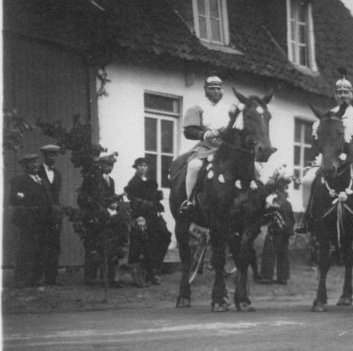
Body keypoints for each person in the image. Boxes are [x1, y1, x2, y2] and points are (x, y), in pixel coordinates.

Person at [298, 72, 353, 231]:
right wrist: (324, 151)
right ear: (335, 95)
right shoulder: (325, 116)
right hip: (328, 157)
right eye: (339, 92)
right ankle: (305, 216)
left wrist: (351, 150)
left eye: (346, 92)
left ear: (351, 95)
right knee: (307, 180)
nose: (343, 95)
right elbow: (316, 139)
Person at [180, 75, 238, 214]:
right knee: (194, 166)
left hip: (227, 147)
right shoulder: (197, 108)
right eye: (212, 89)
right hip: (207, 146)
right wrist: (205, 134)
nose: (216, 92)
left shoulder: (231, 109)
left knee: (251, 166)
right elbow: (188, 131)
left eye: (218, 89)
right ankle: (190, 200)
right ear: (205, 90)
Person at [78, 154, 124, 287]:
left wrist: (114, 203)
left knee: (110, 246)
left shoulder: (111, 180)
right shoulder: (92, 178)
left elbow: (110, 198)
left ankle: (109, 278)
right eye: (107, 165)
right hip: (94, 216)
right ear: (101, 165)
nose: (109, 168)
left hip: (106, 217)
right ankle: (90, 278)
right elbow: (83, 197)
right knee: (92, 246)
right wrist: (94, 208)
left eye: (111, 166)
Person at [124, 157, 171, 286]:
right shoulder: (133, 183)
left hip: (153, 216)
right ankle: (144, 274)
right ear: (136, 168)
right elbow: (133, 201)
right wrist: (139, 217)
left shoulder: (150, 181)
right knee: (145, 245)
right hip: (141, 217)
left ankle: (154, 269)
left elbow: (154, 197)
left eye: (144, 166)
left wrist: (157, 203)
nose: (142, 168)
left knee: (165, 236)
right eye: (140, 166)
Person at [9, 154, 50, 288]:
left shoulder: (42, 181)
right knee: (26, 250)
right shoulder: (19, 180)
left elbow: (48, 199)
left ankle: (36, 279)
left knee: (40, 249)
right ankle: (21, 280)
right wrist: (23, 196)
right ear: (25, 166)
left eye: (36, 162)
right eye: (31, 163)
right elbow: (14, 199)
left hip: (42, 220)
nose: (34, 165)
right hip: (28, 220)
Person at [258, 185, 295, 284]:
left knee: (270, 253)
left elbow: (267, 217)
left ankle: (267, 277)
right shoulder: (288, 204)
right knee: (282, 254)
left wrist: (267, 210)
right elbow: (292, 219)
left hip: (275, 231)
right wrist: (290, 230)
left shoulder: (275, 205)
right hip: (284, 231)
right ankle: (282, 278)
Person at [37, 143, 63, 286]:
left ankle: (51, 279)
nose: (53, 157)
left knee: (54, 246)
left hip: (55, 216)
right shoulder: (37, 172)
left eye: (55, 155)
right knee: (41, 246)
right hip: (41, 216)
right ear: (44, 156)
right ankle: (38, 278)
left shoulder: (58, 174)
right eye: (50, 154)